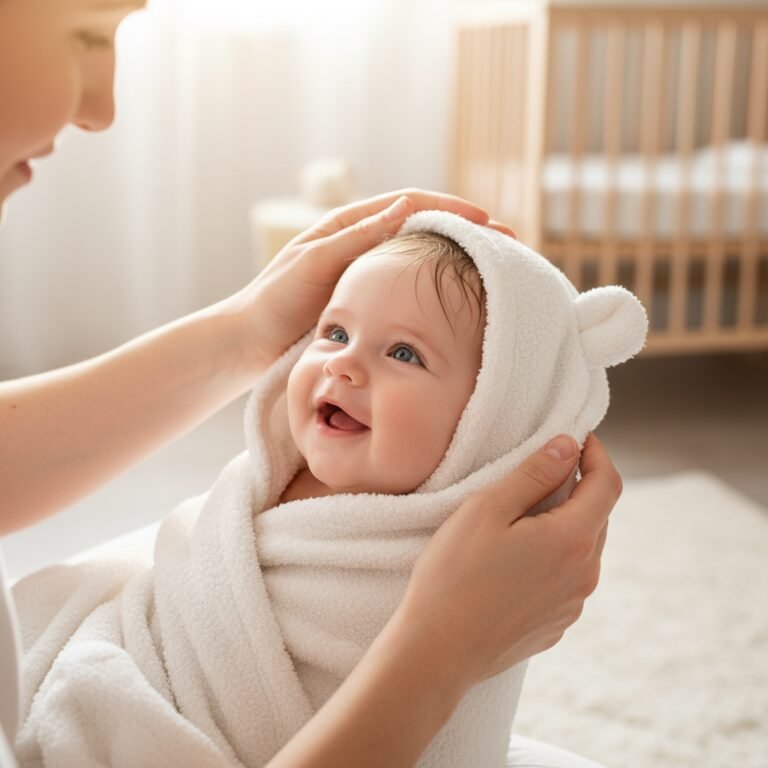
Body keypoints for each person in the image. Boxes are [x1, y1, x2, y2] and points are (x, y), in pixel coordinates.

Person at [0, 1, 623, 766]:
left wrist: (243, 329)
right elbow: (190, 604)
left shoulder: (428, 545)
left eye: (404, 355)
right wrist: (442, 649)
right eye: (332, 333)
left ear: (489, 420)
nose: (342, 364)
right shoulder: (274, 493)